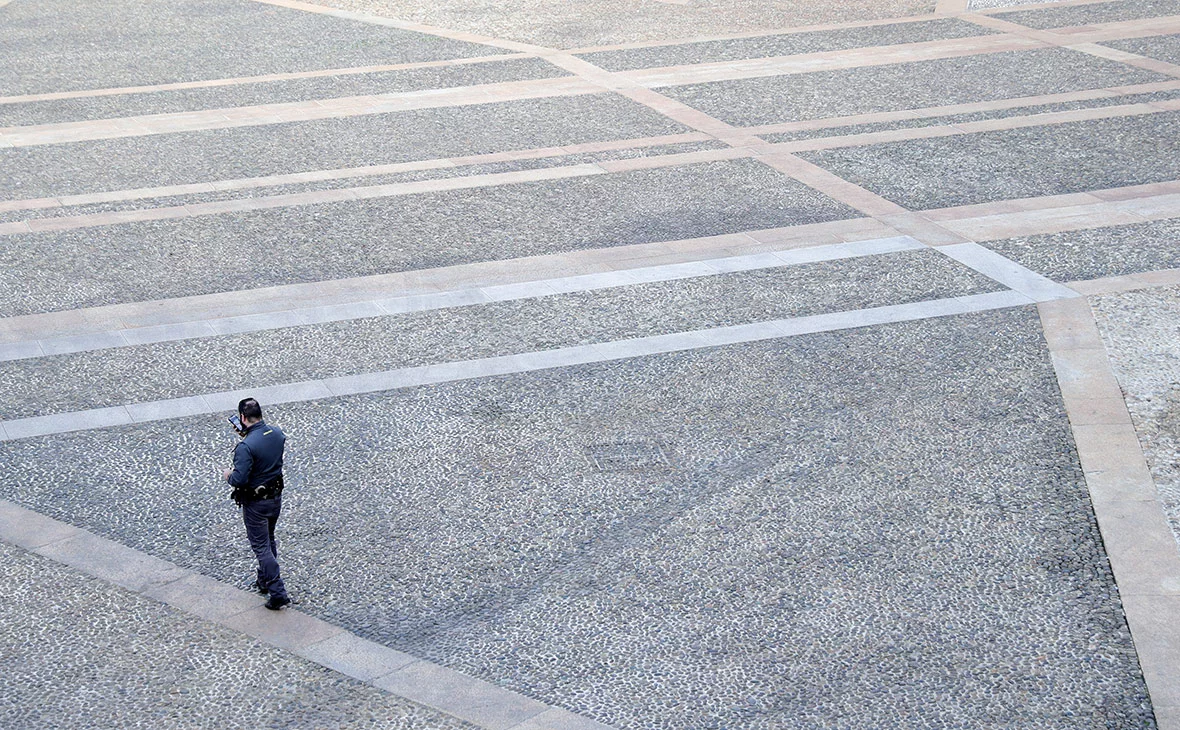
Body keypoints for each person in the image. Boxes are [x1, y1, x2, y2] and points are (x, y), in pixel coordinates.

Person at [223, 397, 290, 610]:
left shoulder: (245, 446)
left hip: (256, 504)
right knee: (269, 540)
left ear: (242, 418)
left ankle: (277, 592)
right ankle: (264, 581)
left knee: (261, 546)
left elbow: (239, 479)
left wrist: (228, 475)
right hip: (275, 498)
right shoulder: (277, 434)